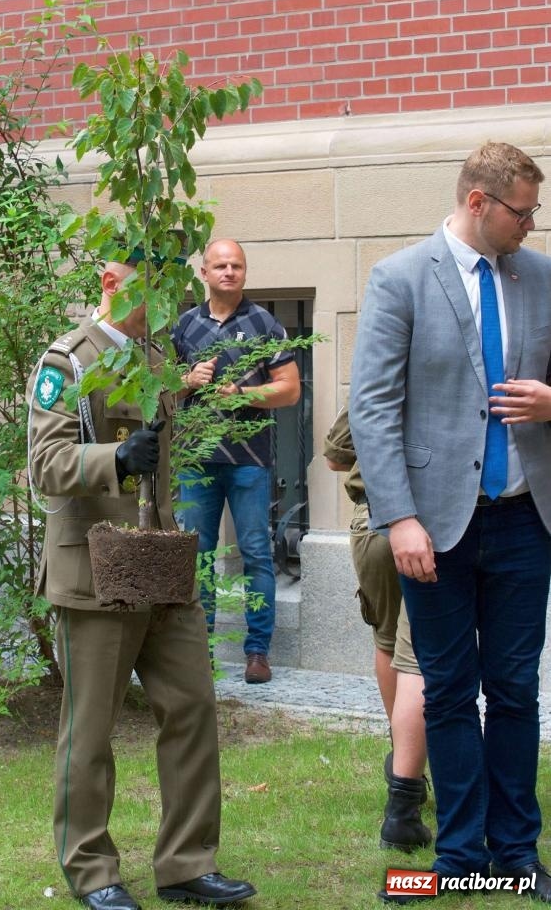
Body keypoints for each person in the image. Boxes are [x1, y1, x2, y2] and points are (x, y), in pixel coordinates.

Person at [349, 142, 551, 903]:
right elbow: (372, 410)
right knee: (446, 690)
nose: (531, 225)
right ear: (477, 202)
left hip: (527, 521)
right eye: (521, 212)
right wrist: (398, 517)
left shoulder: (541, 277)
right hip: (432, 527)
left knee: (514, 690)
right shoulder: (400, 278)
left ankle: (516, 853)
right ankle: (459, 854)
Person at [27, 253, 256, 910]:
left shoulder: (157, 359)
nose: (168, 299)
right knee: (90, 728)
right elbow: (44, 464)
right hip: (91, 569)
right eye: (151, 287)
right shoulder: (67, 360)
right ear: (111, 283)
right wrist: (116, 458)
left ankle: (186, 863)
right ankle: (92, 871)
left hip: (159, 564)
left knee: (191, 707)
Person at [172, 239, 300, 684]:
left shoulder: (264, 322)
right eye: (220, 265)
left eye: (237, 265)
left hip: (249, 460)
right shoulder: (184, 325)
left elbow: (290, 389)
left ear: (245, 272)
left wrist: (243, 393)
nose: (229, 272)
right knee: (198, 559)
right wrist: (188, 380)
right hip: (196, 459)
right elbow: (159, 391)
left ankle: (257, 653)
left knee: (256, 556)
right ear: (204, 273)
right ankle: (199, 652)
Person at [323, 407, 429, 852]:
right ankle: (410, 786)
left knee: (389, 643)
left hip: (372, 522)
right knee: (423, 658)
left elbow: (333, 456)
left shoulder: (376, 377)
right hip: (428, 524)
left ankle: (403, 767)